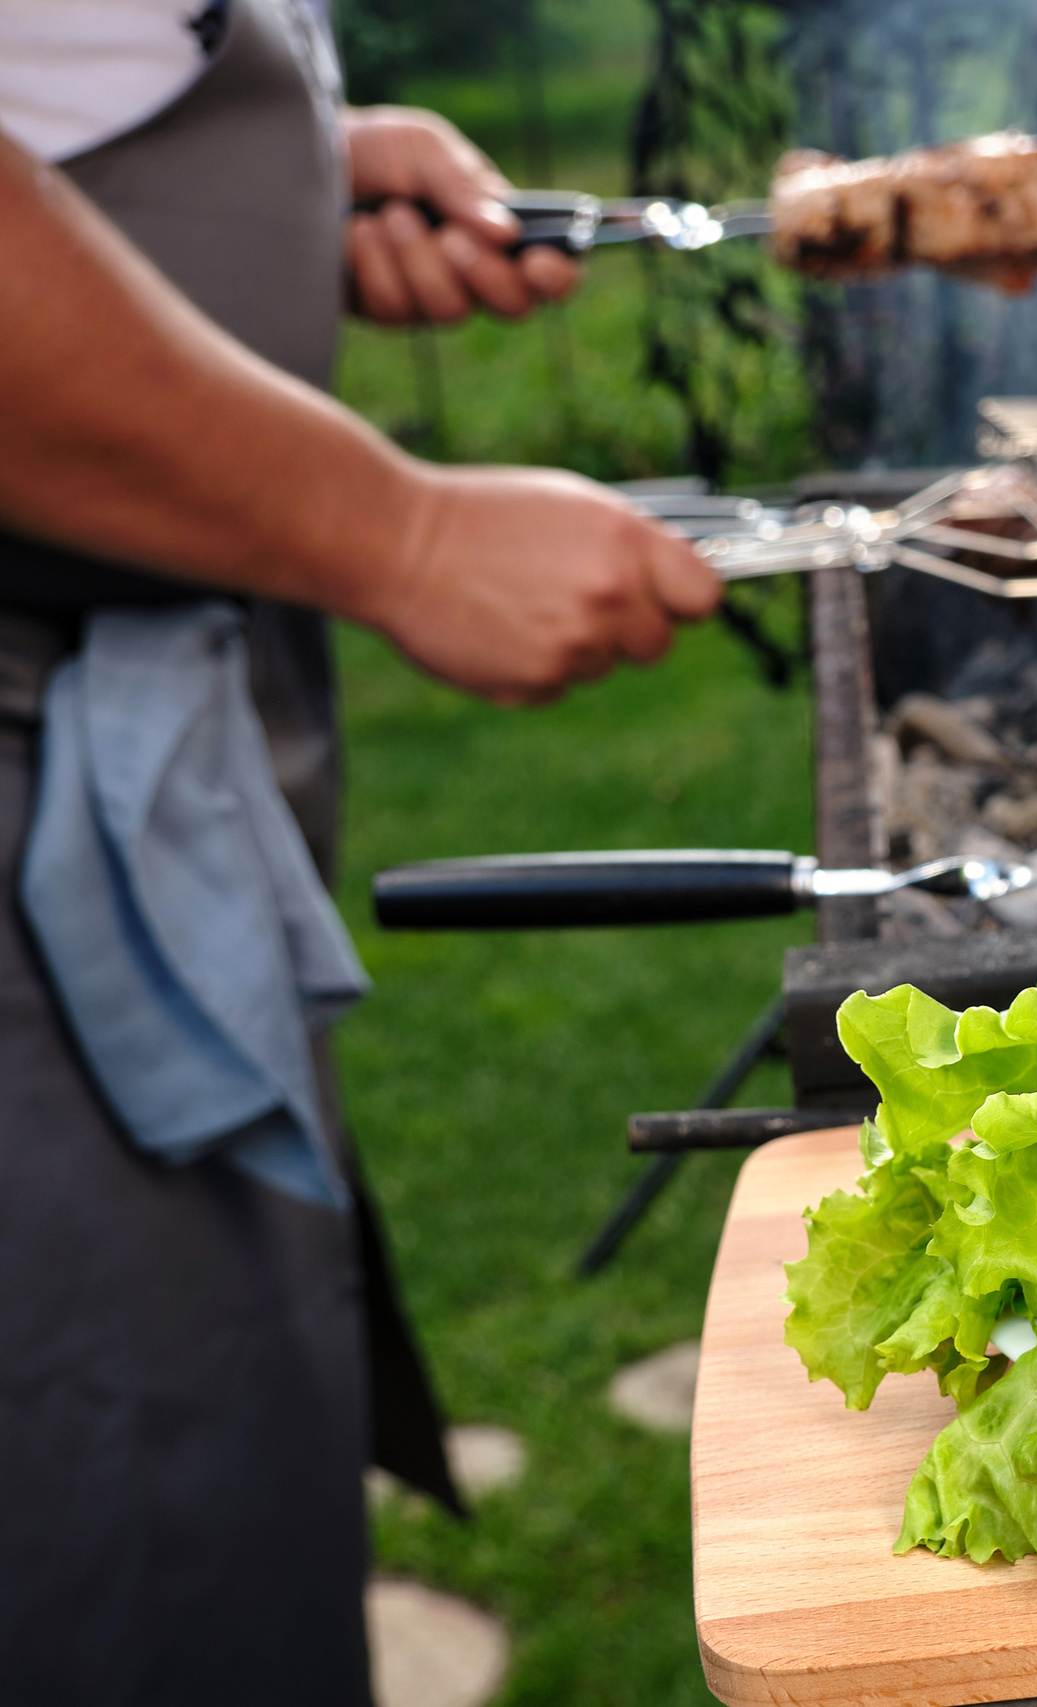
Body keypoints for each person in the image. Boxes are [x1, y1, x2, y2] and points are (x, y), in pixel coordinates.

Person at [0, 2, 723, 1700]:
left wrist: (290, 172)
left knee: (227, 1472)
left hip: (135, 756)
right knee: (108, 1537)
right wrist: (392, 530)